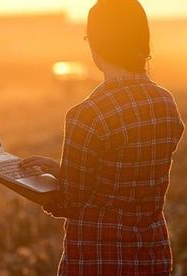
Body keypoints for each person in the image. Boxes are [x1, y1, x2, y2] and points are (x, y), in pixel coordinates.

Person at [20, 0, 185, 275]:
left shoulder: (87, 115)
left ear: (97, 44)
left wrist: (15, 181)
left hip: (98, 259)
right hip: (151, 257)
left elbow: (70, 203)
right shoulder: (165, 104)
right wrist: (65, 173)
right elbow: (124, 181)